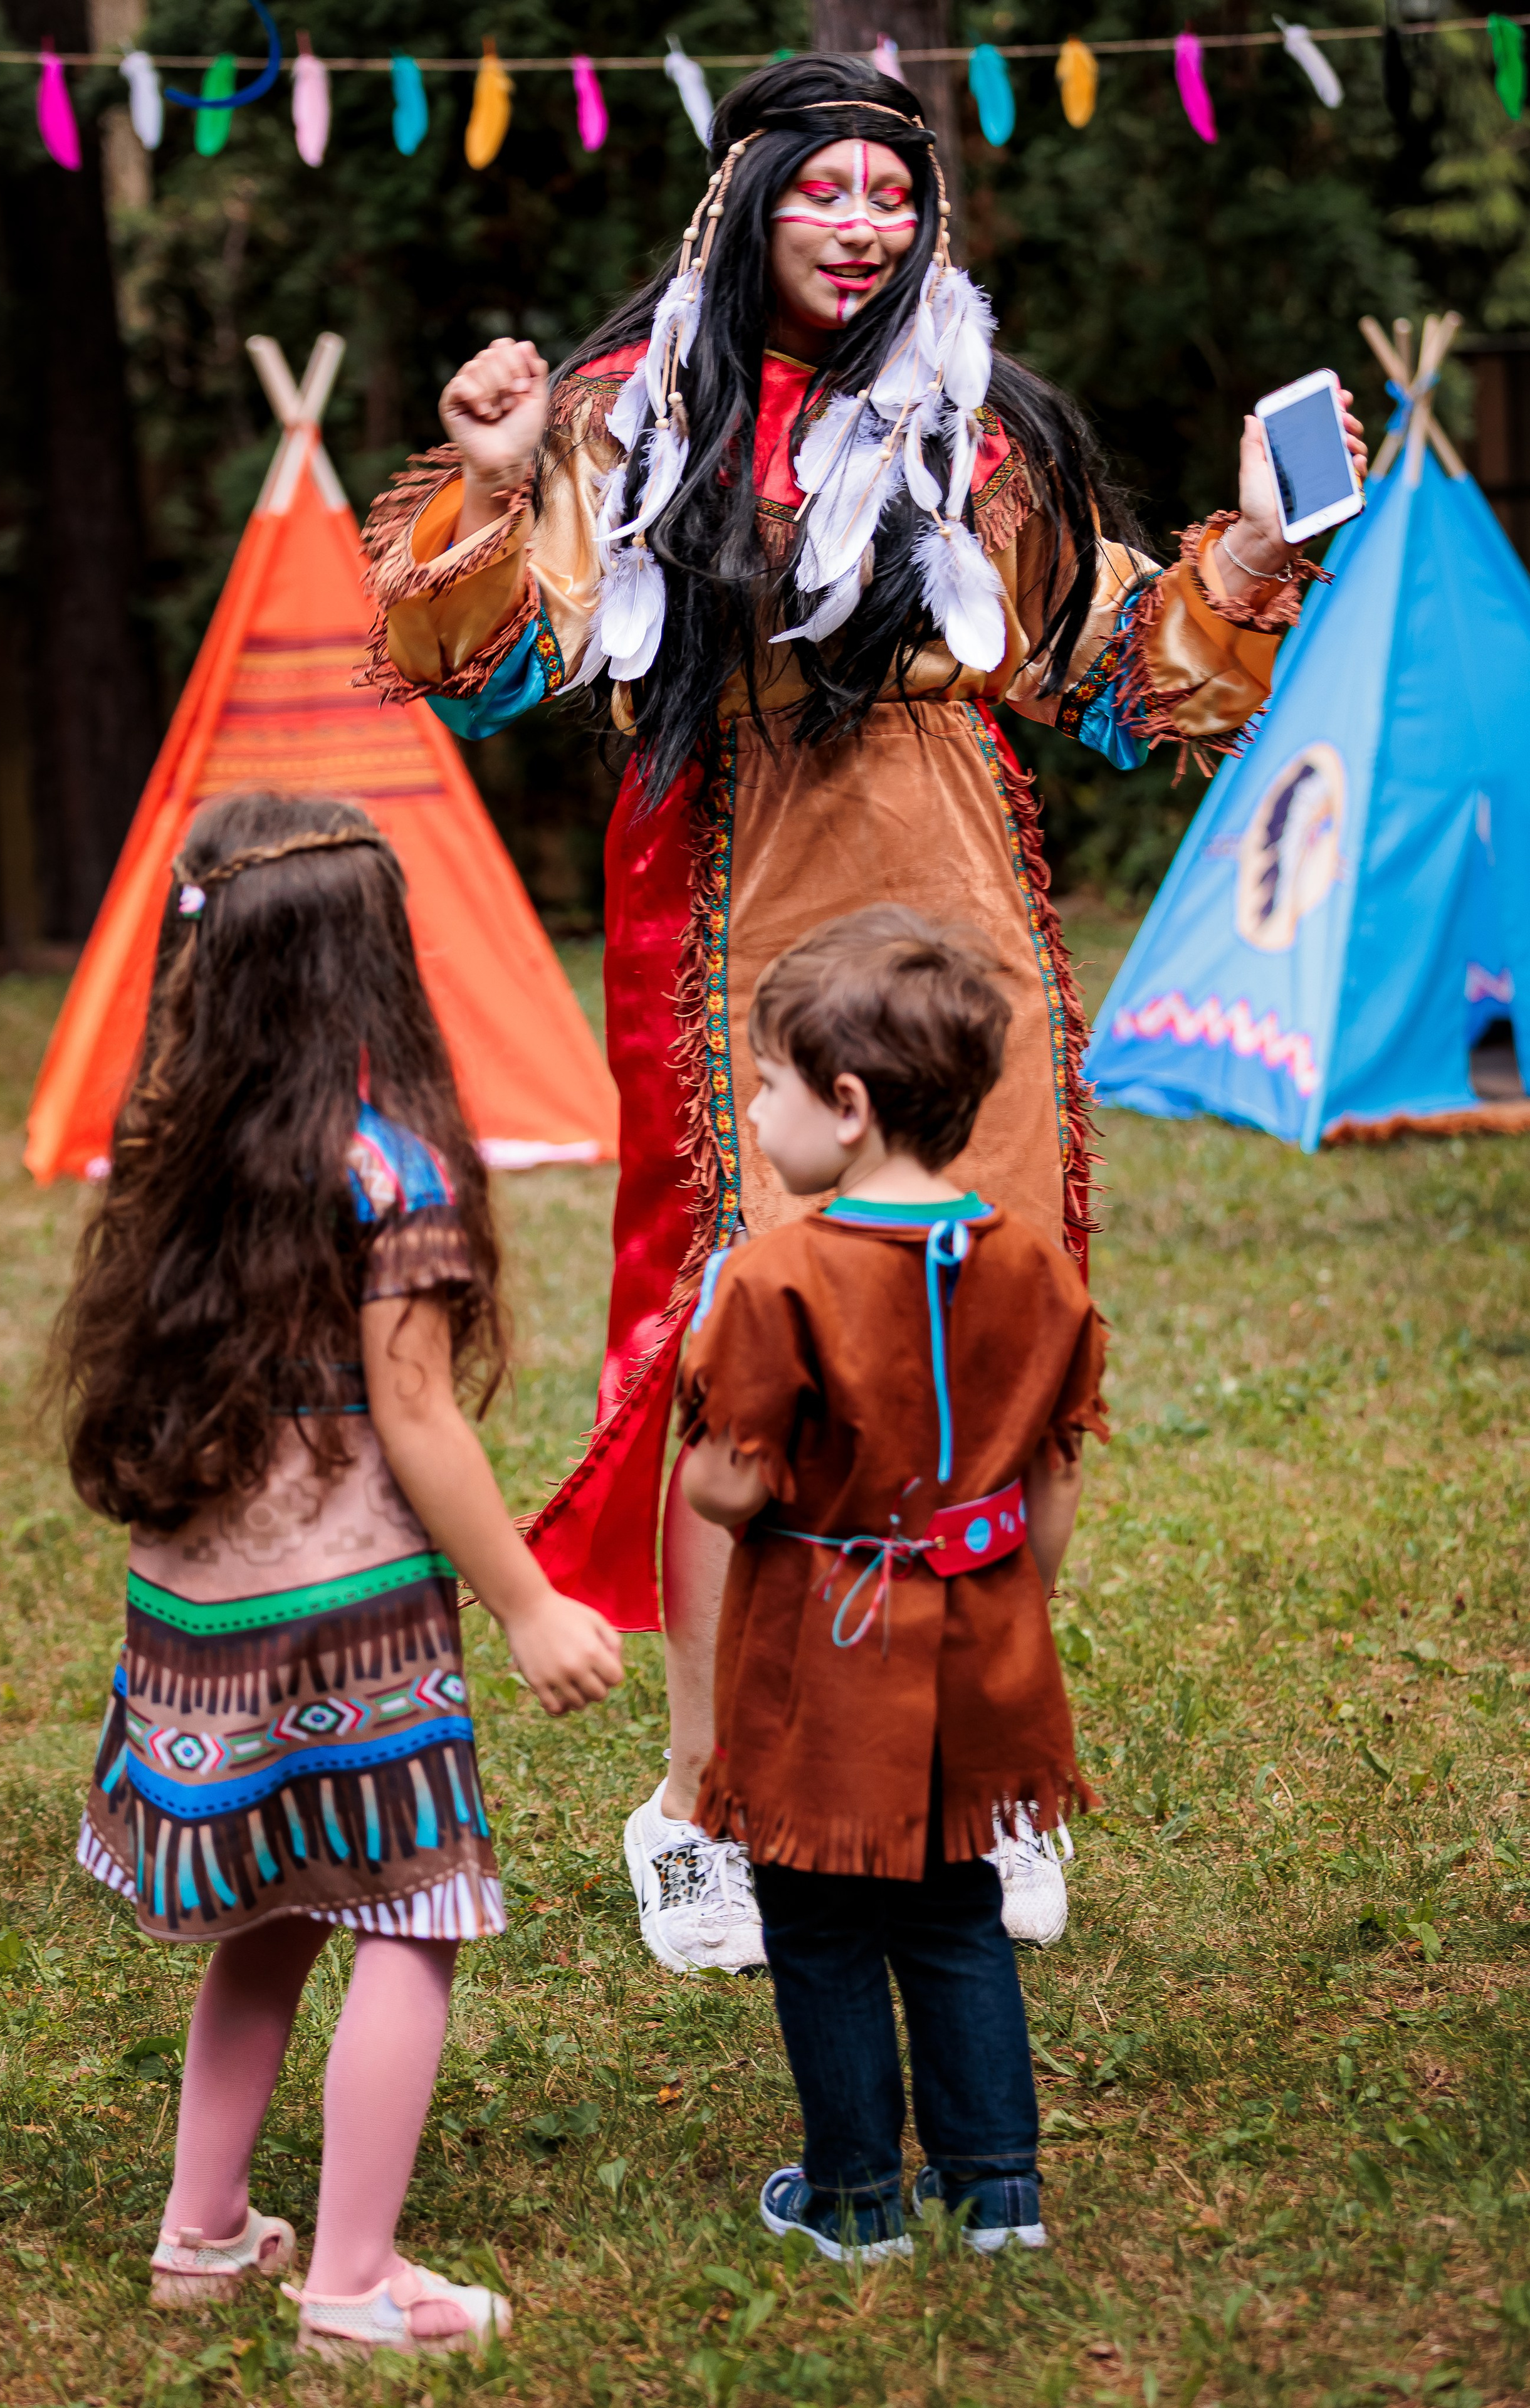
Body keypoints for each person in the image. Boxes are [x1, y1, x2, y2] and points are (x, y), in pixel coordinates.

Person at [359, 52, 1366, 1973]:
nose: (864, 225)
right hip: (740, 909)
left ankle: (985, 1787)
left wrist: (1249, 545)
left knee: (1004, 1342)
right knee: (746, 1355)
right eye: (825, 190)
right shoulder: (630, 421)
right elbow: (481, 671)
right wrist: (498, 487)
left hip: (966, 912)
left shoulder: (979, 435)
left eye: (893, 198)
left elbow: (1111, 673)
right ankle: (702, 1802)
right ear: (746, 207)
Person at [61, 793, 622, 2358]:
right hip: (342, 1613)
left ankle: (204, 2230)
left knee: (271, 1906)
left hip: (194, 1599)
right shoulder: (391, 1165)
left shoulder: (176, 1138)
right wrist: (525, 1599)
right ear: (368, 966)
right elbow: (419, 1410)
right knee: (409, 1904)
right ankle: (355, 2284)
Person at [676, 906, 1105, 2259]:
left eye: (766, 1083)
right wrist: (995, 1602)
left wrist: (711, 1437)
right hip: (974, 1648)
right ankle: (996, 2197)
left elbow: (726, 1488)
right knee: (954, 1908)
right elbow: (1048, 1489)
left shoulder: (774, 1272)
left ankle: (854, 2199)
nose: (751, 1110)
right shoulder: (1035, 1263)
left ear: (847, 1105)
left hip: (823, 1654)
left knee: (813, 1919)